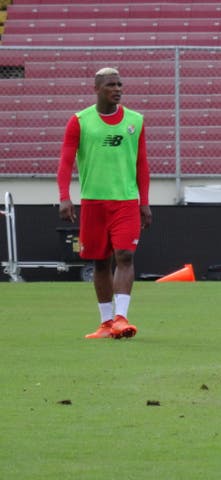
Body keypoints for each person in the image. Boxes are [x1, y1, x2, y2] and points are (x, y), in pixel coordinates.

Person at [57, 67, 152, 340]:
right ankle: (106, 322)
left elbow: (142, 165)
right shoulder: (80, 121)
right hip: (94, 203)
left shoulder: (135, 121)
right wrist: (65, 197)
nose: (117, 89)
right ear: (97, 89)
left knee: (125, 255)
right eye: (111, 85)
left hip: (125, 202)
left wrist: (144, 202)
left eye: (120, 84)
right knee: (100, 261)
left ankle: (122, 317)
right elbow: (65, 161)